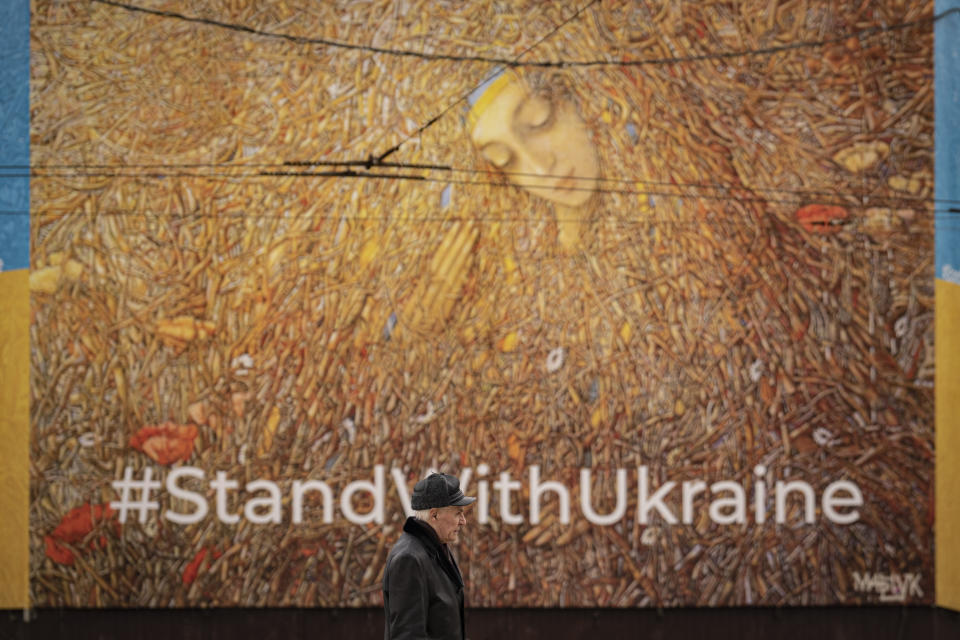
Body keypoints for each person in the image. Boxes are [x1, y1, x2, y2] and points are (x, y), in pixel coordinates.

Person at [382, 472, 476, 640]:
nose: (463, 521)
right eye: (457, 513)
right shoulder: (409, 559)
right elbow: (408, 636)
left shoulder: (436, 549)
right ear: (434, 515)